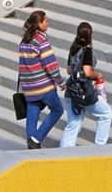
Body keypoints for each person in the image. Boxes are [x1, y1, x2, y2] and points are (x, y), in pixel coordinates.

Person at [18, 10, 66, 149]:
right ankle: (37, 138)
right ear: (39, 24)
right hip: (43, 85)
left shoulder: (25, 40)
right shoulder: (41, 40)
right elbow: (50, 64)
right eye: (46, 21)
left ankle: (32, 147)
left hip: (29, 86)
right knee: (57, 110)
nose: (48, 23)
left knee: (32, 115)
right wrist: (61, 81)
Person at [60, 22, 112, 147]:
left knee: (73, 125)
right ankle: (99, 147)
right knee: (106, 114)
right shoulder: (87, 50)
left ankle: (64, 155)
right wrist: (98, 75)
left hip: (71, 92)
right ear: (91, 35)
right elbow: (87, 72)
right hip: (84, 92)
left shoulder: (73, 48)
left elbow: (68, 70)